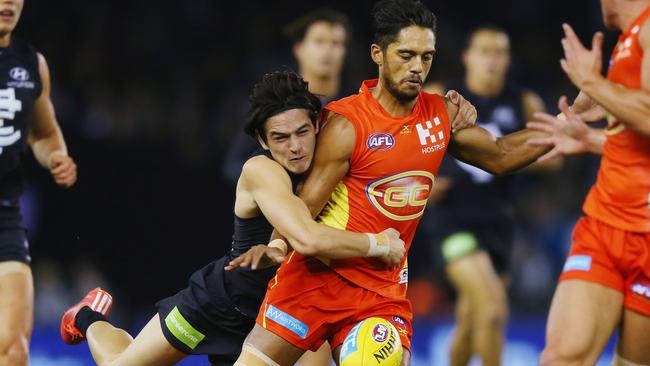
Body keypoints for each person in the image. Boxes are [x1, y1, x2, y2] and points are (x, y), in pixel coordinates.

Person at [231, 1, 556, 365]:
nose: (417, 67)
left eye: (426, 56)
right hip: (314, 281)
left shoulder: (440, 114)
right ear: (378, 54)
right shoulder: (346, 125)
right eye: (406, 55)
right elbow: (303, 207)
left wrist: (566, 125)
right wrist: (275, 246)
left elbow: (500, 155)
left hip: (380, 292)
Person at [59, 71, 407, 366]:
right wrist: (378, 243)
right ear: (261, 139)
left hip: (276, 319)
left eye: (303, 132)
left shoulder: (331, 162)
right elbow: (306, 237)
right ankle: (88, 317)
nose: (296, 147)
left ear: (317, 125)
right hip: (220, 305)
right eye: (280, 138)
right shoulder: (261, 171)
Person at [525, 1, 650, 364]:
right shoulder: (630, 39)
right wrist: (592, 139)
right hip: (605, 225)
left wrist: (591, 82)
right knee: (562, 357)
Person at [423, 26, 553, 366]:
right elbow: (410, 144)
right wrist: (423, 180)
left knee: (470, 321)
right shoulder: (441, 97)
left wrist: (528, 155)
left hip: (499, 226)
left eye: (500, 52)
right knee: (493, 309)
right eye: (485, 51)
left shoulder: (523, 102)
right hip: (453, 223)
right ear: (467, 57)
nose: (492, 60)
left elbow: (552, 158)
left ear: (508, 59)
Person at [0, 0, 78, 365]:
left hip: (6, 216)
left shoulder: (31, 64)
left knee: (14, 349)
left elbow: (44, 134)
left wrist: (56, 157)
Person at [222, 8, 351, 185]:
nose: (328, 51)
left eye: (336, 43)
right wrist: (283, 183)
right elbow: (234, 165)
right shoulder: (273, 103)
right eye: (319, 42)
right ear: (299, 48)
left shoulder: (356, 104)